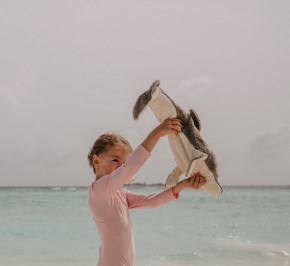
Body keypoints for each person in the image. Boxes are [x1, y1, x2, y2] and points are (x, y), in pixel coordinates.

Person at [88, 118, 206, 266]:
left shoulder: (119, 193)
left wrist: (183, 185)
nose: (121, 167)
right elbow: (129, 169)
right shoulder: (98, 191)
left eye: (124, 162)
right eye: (115, 160)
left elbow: (151, 201)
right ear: (96, 161)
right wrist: (158, 132)